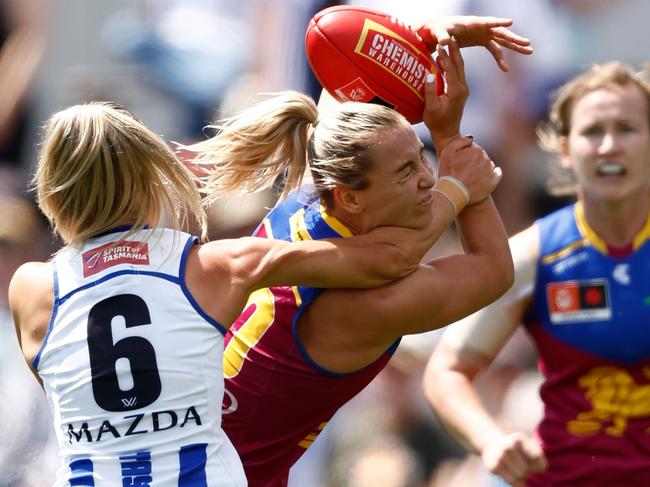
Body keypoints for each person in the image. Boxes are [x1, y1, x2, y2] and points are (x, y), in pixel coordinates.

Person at [8, 102, 461, 486]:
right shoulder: (213, 267)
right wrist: (458, 188)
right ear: (150, 176)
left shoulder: (30, 288)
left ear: (51, 189)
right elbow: (390, 259)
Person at [188, 37, 513, 486]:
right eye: (405, 172)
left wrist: (428, 38)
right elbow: (493, 270)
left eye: (423, 157)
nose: (426, 178)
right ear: (350, 199)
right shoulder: (364, 306)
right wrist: (455, 157)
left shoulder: (307, 198)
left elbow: (341, 66)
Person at [423, 61, 650, 487]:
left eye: (627, 128)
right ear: (564, 149)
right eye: (591, 132)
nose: (608, 147)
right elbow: (446, 372)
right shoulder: (535, 254)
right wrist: (490, 441)